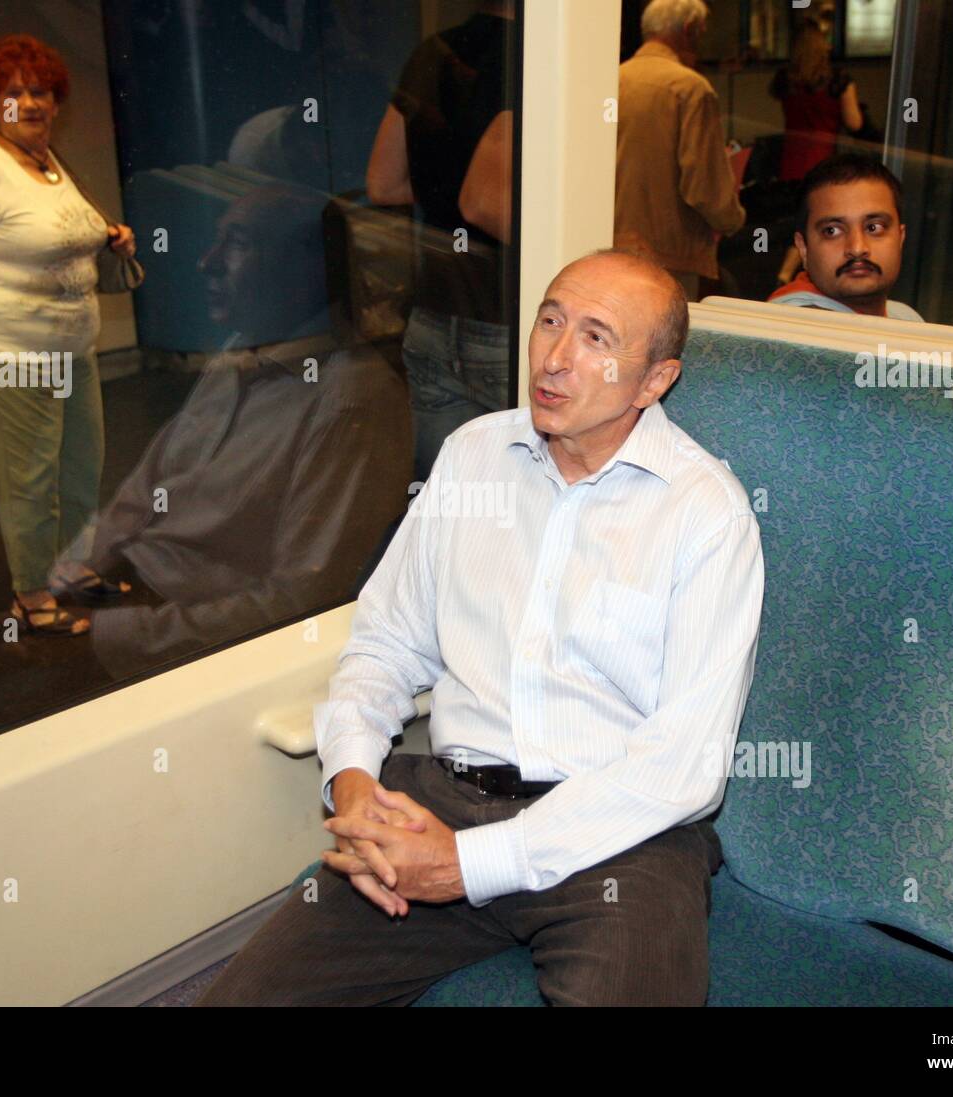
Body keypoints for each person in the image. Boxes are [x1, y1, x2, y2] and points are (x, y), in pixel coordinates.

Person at [196, 249, 765, 1007]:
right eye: (551, 320)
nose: (556, 359)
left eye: (597, 339)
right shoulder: (473, 456)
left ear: (656, 379)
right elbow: (387, 640)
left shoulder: (705, 513)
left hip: (620, 836)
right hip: (448, 798)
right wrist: (355, 778)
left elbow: (682, 768)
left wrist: (472, 864)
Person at [79, 187, 413, 678]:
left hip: (175, 637)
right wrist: (73, 577)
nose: (207, 263)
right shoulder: (242, 349)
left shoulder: (349, 400)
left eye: (236, 244)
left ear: (306, 271)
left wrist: (112, 637)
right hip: (123, 596)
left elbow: (299, 601)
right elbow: (144, 489)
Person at [0, 34, 138, 636]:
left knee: (79, 464)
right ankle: (32, 598)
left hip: (72, 346)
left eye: (40, 92)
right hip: (10, 352)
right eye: (14, 94)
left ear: (56, 101)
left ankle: (69, 571)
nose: (29, 103)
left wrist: (112, 240)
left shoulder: (48, 162)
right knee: (29, 477)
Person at [366, 0, 517, 484]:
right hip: (505, 318)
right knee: (523, 510)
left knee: (444, 505)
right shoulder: (536, 59)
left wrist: (443, 193)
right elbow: (484, 204)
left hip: (433, 313)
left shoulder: (431, 53)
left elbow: (384, 184)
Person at [615, 0, 745, 302]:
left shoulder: (613, 80)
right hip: (670, 253)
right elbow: (704, 188)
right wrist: (733, 219)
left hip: (613, 242)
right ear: (689, 29)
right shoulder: (690, 88)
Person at [769, 154, 924, 321]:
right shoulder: (792, 327)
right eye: (832, 231)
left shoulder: (906, 317)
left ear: (900, 238)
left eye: (873, 228)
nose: (857, 248)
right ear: (803, 249)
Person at [768, 22, 863, 286]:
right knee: (818, 223)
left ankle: (790, 273)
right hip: (823, 162)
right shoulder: (838, 80)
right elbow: (854, 122)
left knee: (799, 220)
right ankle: (794, 274)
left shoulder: (787, 81)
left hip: (791, 161)